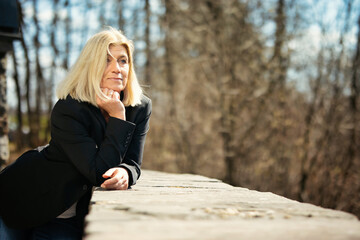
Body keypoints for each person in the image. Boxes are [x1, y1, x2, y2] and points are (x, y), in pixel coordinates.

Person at [0, 27, 151, 239]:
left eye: (123, 60)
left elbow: (133, 162)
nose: (117, 68)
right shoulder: (69, 108)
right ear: (91, 66)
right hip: (22, 198)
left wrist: (126, 172)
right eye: (107, 60)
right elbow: (98, 172)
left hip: (68, 217)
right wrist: (117, 116)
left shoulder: (140, 107)